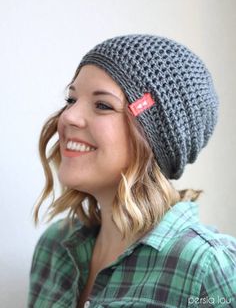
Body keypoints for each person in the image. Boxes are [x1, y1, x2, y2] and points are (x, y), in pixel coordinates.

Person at [27, 34, 236, 308]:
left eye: (102, 105)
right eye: (71, 99)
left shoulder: (208, 267)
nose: (68, 116)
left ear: (158, 138)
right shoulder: (55, 248)